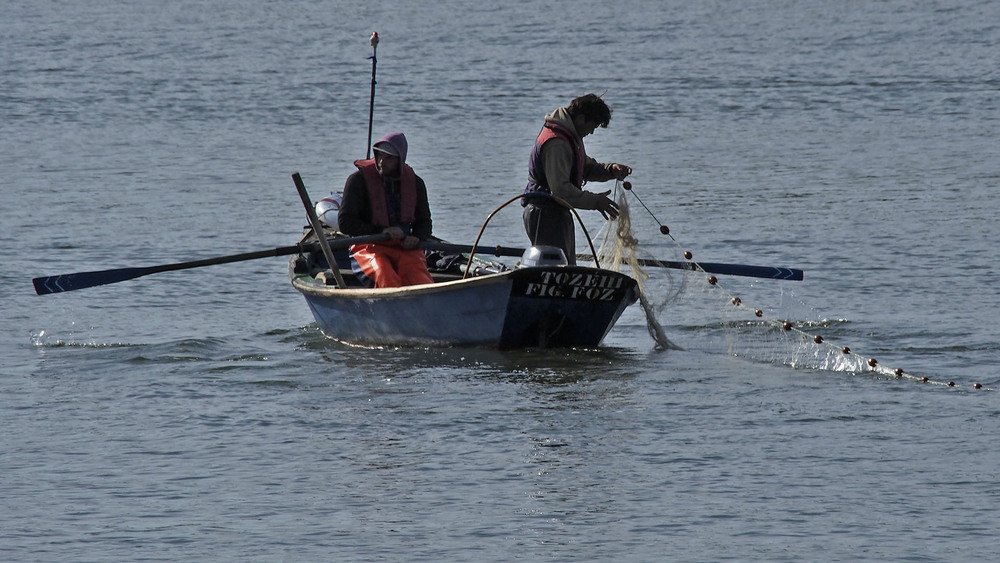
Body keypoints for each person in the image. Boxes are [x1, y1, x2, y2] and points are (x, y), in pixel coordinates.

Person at [521, 93, 632, 265]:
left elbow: (585, 167)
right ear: (581, 118)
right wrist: (596, 201)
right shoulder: (557, 143)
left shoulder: (570, 136)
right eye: (593, 126)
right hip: (544, 213)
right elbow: (561, 191)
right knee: (556, 272)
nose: (592, 132)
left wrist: (611, 170)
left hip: (557, 212)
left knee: (566, 268)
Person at [337, 132, 434, 288]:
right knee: (384, 273)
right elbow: (345, 223)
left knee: (418, 277)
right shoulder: (358, 180)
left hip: (403, 246)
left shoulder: (416, 183)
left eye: (389, 158)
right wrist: (381, 231)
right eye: (379, 156)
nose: (382, 162)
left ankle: (426, 308)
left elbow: (425, 223)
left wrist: (416, 237)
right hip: (367, 246)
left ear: (400, 160)